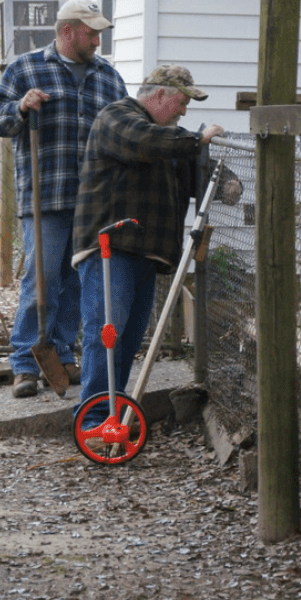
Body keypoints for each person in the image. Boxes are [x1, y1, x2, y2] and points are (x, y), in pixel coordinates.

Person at [69, 64, 234, 422]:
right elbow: (141, 142)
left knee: (126, 341)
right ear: (159, 94)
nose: (185, 110)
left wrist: (227, 182)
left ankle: (111, 413)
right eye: (181, 101)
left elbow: (195, 173)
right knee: (107, 336)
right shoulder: (117, 117)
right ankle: (95, 422)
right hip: (110, 250)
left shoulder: (167, 139)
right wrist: (197, 140)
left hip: (145, 254)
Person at [0, 0, 127, 398]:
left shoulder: (108, 77)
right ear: (67, 32)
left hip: (93, 201)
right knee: (43, 281)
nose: (97, 41)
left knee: (77, 282)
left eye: (99, 33)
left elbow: (123, 125)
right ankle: (24, 362)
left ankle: (63, 353)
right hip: (45, 196)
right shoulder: (27, 68)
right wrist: (20, 106)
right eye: (91, 33)